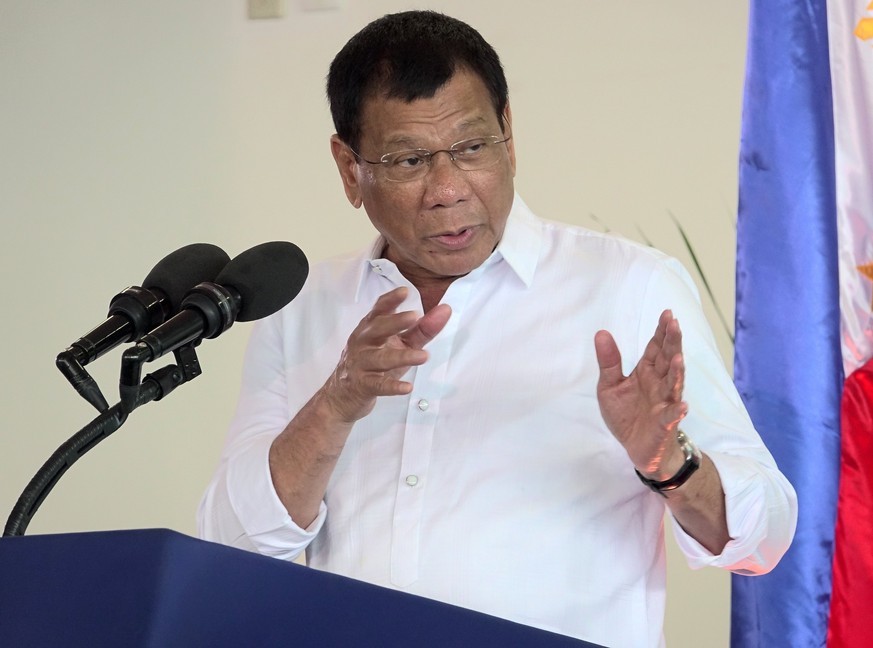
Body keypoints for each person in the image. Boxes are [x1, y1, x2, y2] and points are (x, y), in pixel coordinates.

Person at [198, 10, 797, 647]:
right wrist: (335, 404)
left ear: (508, 135)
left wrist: (669, 463)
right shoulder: (301, 308)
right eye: (408, 161)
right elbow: (230, 552)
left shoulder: (629, 287)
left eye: (472, 147)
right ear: (350, 169)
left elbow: (765, 537)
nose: (449, 188)